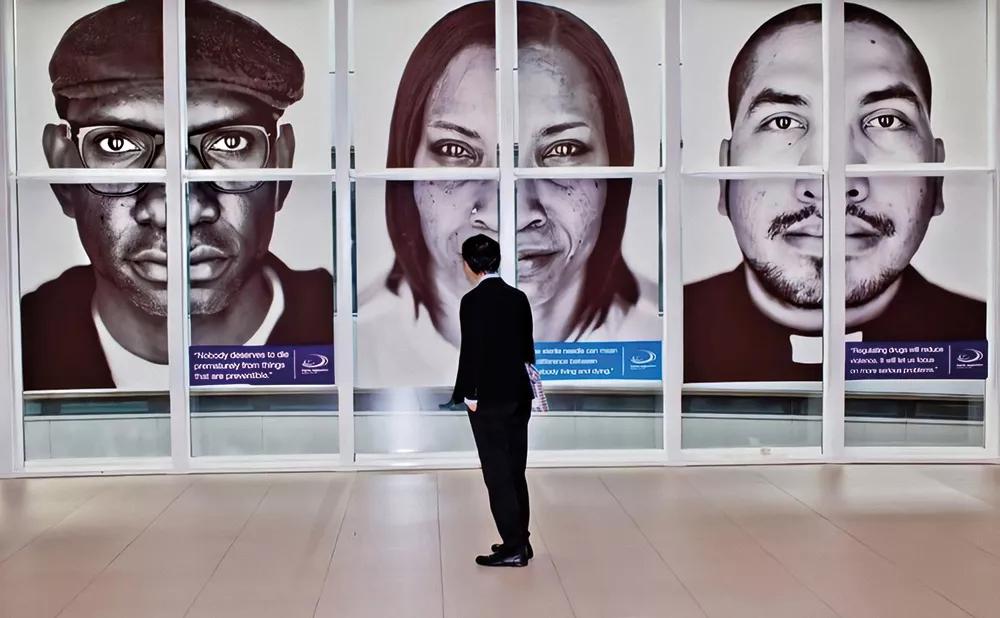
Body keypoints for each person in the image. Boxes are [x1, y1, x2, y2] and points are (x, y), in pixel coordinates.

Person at [21, 0, 333, 391]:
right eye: (116, 143)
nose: (178, 208)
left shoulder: (358, 327)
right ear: (62, 169)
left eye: (230, 142)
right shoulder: (15, 347)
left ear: (282, 166)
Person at [357, 1, 659, 388]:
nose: (510, 215)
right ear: (405, 165)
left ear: (618, 167)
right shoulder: (352, 346)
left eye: (562, 150)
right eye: (455, 151)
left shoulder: (671, 337)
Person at [684, 3, 986, 383]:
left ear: (937, 176)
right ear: (725, 174)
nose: (833, 185)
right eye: (783, 122)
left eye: (886, 121)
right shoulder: (659, 336)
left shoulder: (984, 336)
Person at [453, 234, 535, 567]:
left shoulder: (471, 302)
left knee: (497, 474)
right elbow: (528, 351)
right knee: (516, 470)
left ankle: (513, 547)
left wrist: (468, 395)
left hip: (488, 401)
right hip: (518, 397)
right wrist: (532, 393)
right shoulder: (519, 299)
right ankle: (522, 540)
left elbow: (471, 354)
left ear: (470, 265)